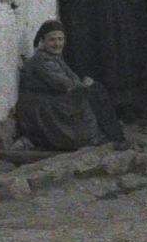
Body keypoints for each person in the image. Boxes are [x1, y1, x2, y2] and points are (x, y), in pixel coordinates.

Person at [16, 21, 126, 151]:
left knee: (95, 89)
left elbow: (72, 80)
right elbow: (63, 84)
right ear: (42, 41)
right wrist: (84, 85)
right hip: (40, 107)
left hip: (49, 100)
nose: (57, 43)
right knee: (92, 93)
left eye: (60, 39)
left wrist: (84, 85)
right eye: (52, 40)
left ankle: (111, 133)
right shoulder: (42, 60)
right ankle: (106, 135)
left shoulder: (54, 57)